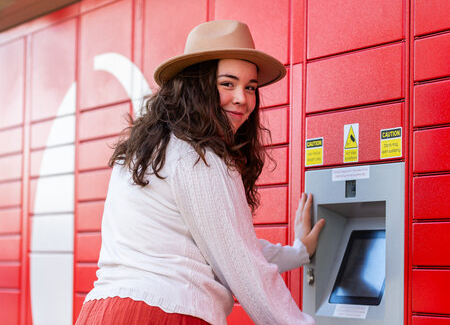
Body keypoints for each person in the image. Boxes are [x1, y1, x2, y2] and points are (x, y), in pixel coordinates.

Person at [75, 20, 325, 325]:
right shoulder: (199, 156)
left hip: (102, 312)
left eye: (250, 87)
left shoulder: (145, 150)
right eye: (227, 83)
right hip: (164, 315)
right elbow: (242, 266)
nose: (242, 99)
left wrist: (298, 252)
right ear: (197, 84)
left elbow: (225, 241)